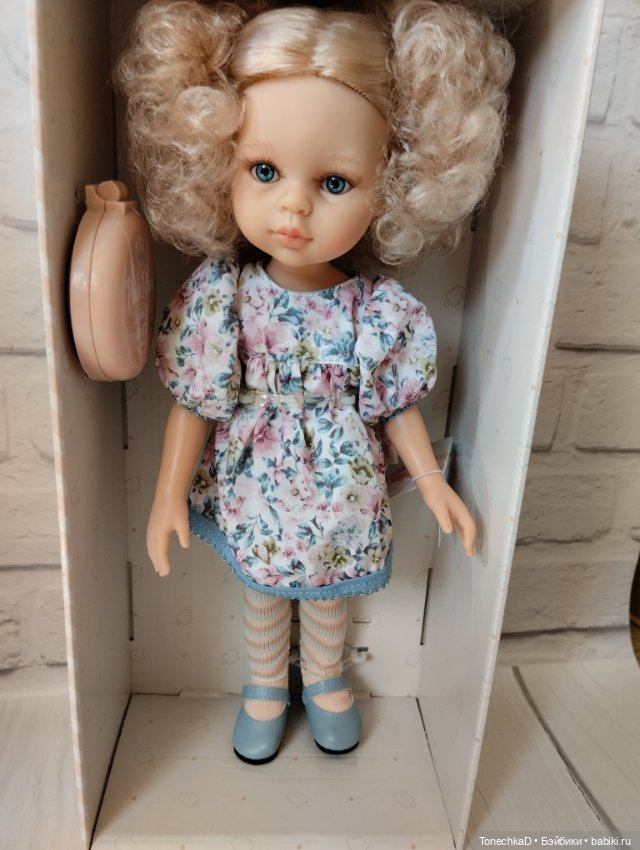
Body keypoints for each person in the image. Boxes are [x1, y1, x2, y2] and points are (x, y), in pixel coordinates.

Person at [116, 0, 514, 765]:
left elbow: (392, 404)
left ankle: (326, 680)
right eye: (264, 171)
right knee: (265, 582)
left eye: (335, 180)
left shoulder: (373, 309)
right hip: (256, 478)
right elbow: (196, 401)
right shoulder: (224, 296)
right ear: (217, 164)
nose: (294, 205)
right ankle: (267, 684)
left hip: (339, 479)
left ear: (393, 184)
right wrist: (167, 494)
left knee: (331, 582)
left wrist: (432, 480)